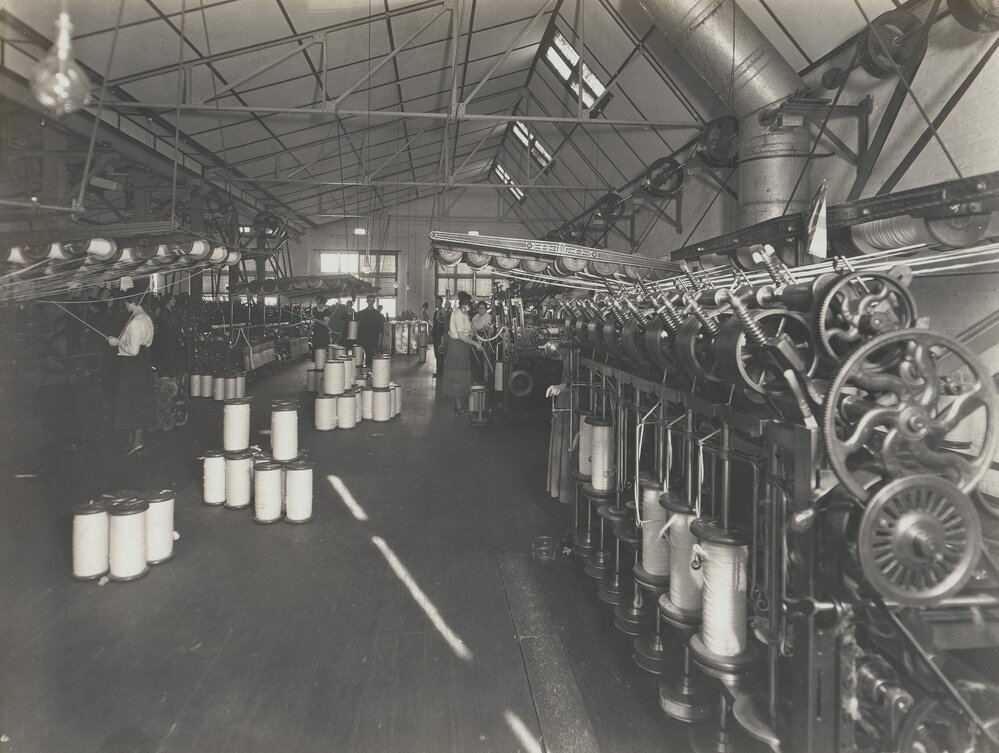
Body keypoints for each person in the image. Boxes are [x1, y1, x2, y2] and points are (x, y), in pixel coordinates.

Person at [107, 283, 156, 455]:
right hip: (143, 363)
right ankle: (138, 441)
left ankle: (136, 443)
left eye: (125, 303)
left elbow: (133, 351)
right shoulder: (146, 318)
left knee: (132, 404)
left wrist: (117, 343)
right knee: (139, 402)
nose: (124, 306)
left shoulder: (135, 322)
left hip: (133, 365)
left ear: (130, 303)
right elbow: (145, 345)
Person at [442, 292, 482, 415]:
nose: (468, 308)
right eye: (468, 305)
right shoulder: (458, 314)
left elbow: (466, 331)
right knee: (457, 378)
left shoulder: (463, 314)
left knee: (461, 377)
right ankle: (459, 408)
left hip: (462, 347)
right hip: (457, 347)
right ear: (464, 304)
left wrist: (472, 334)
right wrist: (475, 344)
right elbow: (460, 336)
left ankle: (459, 406)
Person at [356, 294, 385, 367]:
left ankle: (369, 371)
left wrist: (380, 340)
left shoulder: (378, 314)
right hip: (362, 338)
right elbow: (356, 326)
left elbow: (381, 329)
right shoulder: (361, 313)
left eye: (372, 301)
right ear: (366, 301)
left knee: (370, 355)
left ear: (374, 301)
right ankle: (362, 373)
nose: (371, 302)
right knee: (359, 357)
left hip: (373, 338)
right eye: (369, 300)